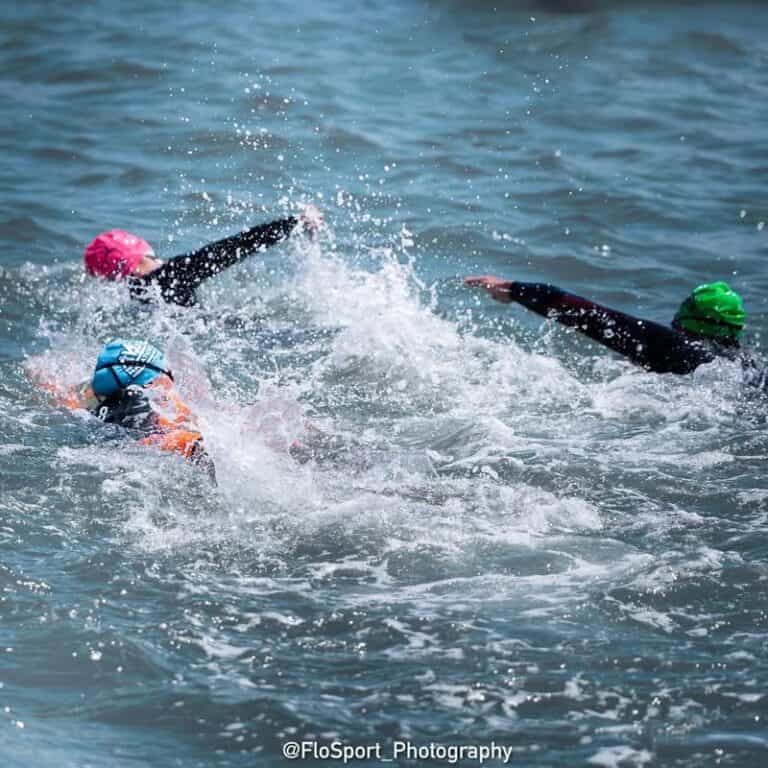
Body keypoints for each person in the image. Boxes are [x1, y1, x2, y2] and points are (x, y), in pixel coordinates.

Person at [464, 276, 747, 376]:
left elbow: (590, 316)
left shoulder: (676, 349)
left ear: (682, 323)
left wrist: (514, 289)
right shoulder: (747, 367)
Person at [36, 339, 217, 481]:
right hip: (170, 443)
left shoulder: (96, 411)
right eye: (167, 372)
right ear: (152, 378)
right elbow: (184, 436)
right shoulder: (158, 397)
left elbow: (61, 398)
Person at [83, 204, 323, 307]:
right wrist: (295, 223)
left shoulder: (136, 292)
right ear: (141, 255)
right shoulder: (171, 274)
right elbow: (234, 247)